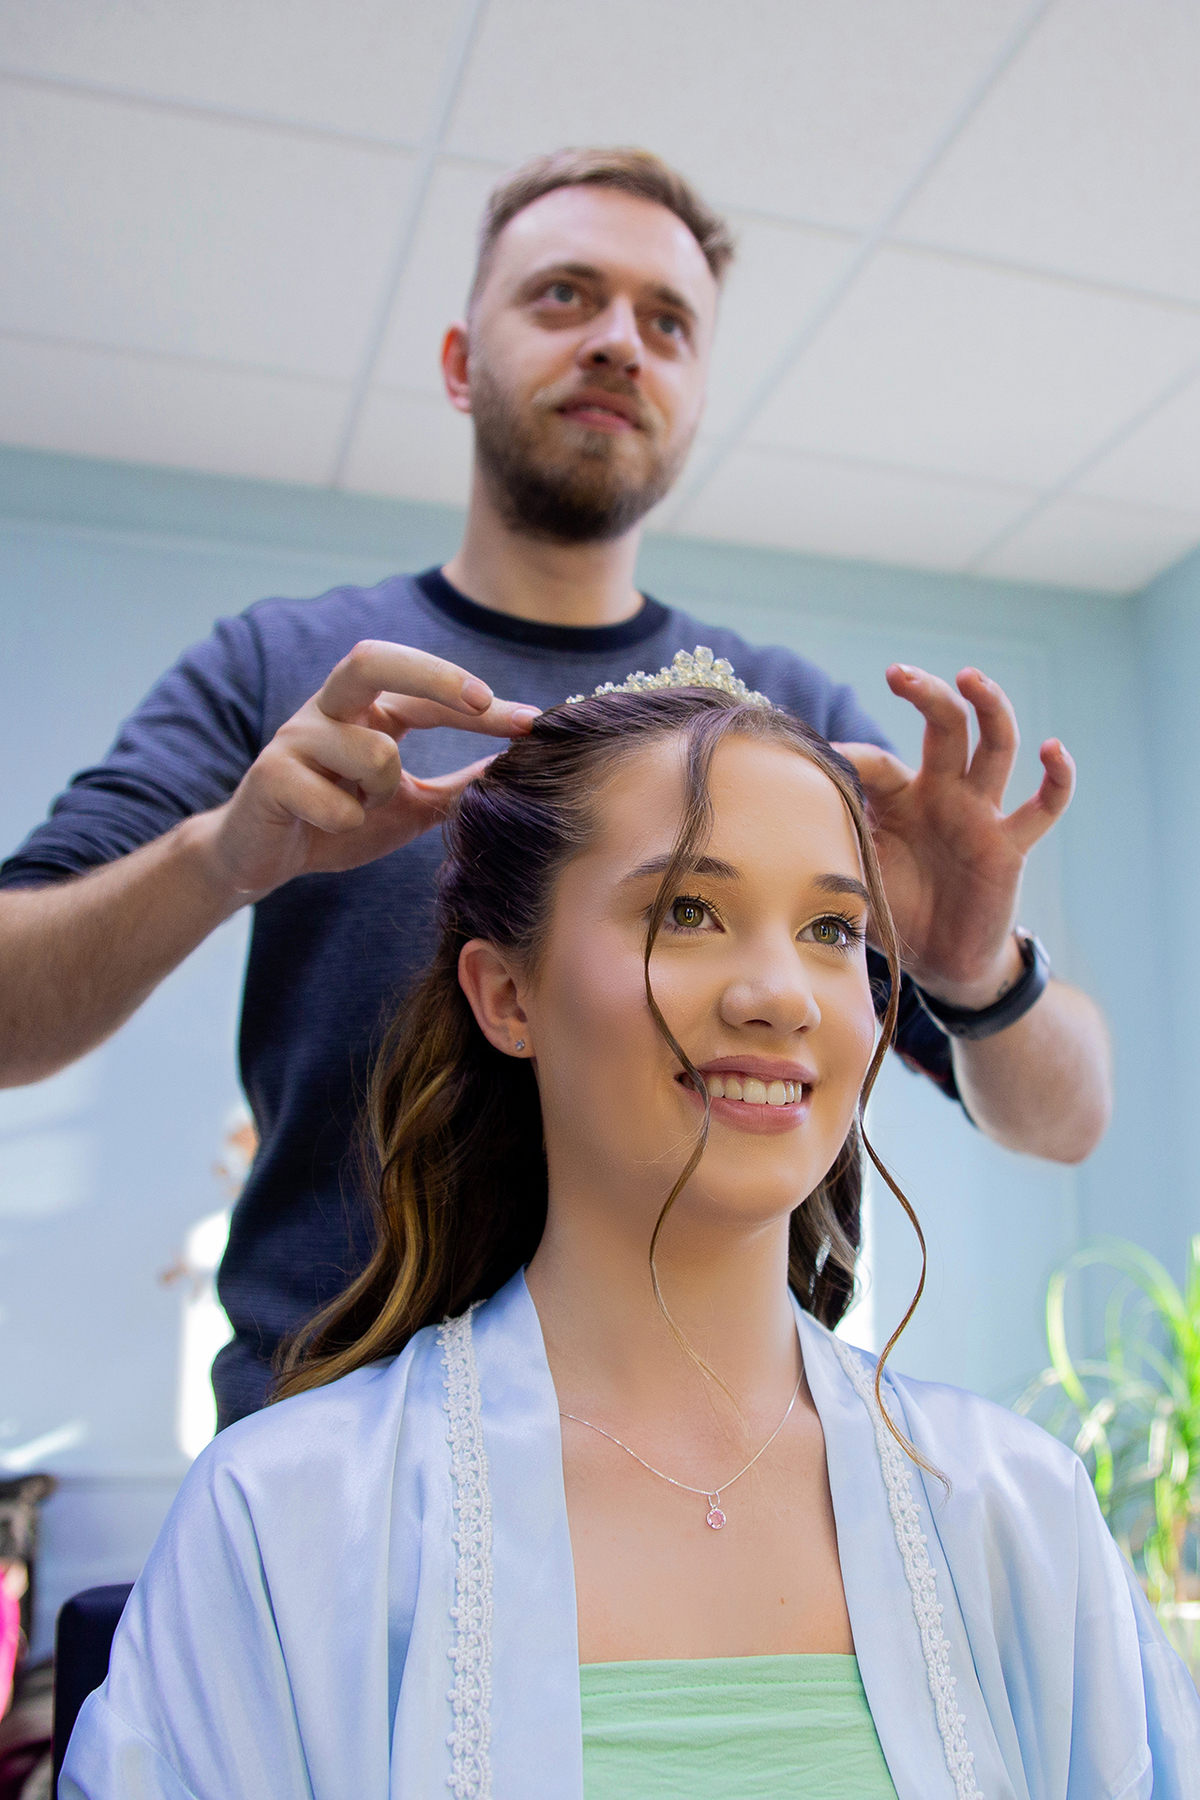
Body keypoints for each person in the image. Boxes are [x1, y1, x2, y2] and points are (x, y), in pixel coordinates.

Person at [0, 148, 1111, 1430]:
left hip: (714, 1469)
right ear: (463, 361)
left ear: (695, 394)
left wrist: (975, 969)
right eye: (566, 297)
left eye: (668, 323)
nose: (620, 346)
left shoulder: (789, 725)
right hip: (331, 1451)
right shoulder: (289, 671)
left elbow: (1067, 1120)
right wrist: (221, 855)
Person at [60, 675, 1196, 1798]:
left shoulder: (1017, 1510)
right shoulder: (285, 1524)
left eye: (833, 929)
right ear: (507, 996)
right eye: (685, 911)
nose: (779, 994)